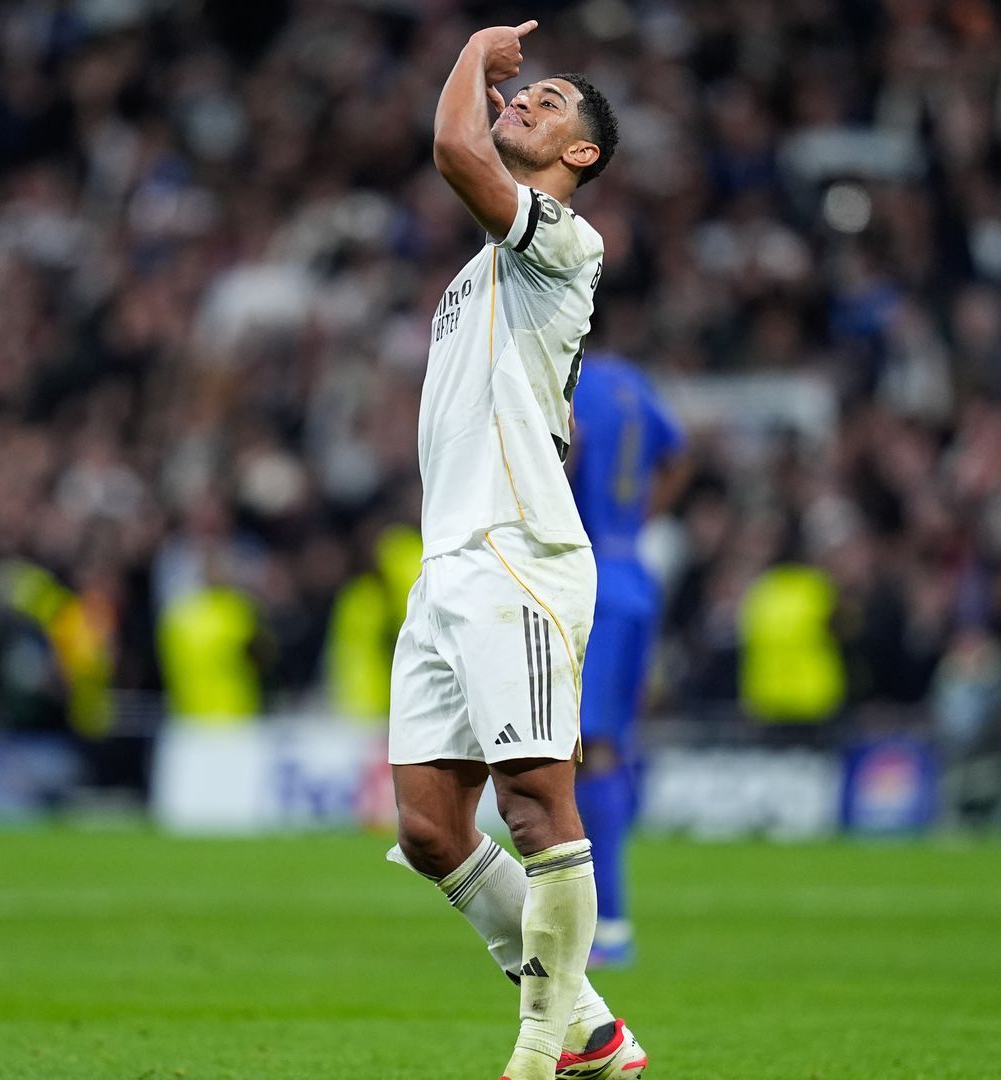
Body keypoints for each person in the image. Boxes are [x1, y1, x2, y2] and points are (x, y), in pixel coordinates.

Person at [383, 21, 647, 1080]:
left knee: (536, 803)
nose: (522, 103)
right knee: (430, 828)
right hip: (445, 556)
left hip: (518, 550)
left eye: (548, 104)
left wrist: (472, 58)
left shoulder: (564, 244)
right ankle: (590, 1025)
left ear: (581, 155)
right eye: (519, 92)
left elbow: (455, 150)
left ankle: (543, 1050)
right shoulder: (483, 265)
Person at [565, 354, 687, 967]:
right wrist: (637, 518)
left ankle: (606, 924)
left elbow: (572, 449)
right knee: (605, 748)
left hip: (586, 580)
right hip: (634, 573)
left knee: (589, 751)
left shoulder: (562, 376)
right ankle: (598, 918)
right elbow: (678, 452)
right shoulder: (633, 382)